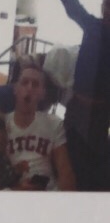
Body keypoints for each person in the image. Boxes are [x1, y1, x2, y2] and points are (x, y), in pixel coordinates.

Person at [46, 0, 110, 190]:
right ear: (103, 4)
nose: (109, 8)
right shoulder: (92, 25)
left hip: (101, 114)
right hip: (76, 109)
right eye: (107, 1)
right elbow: (72, 6)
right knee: (67, 158)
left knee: (92, 167)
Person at [4, 58, 76, 191]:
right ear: (15, 89)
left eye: (35, 84)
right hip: (12, 193)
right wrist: (17, 189)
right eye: (24, 82)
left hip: (47, 193)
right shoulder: (2, 124)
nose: (29, 88)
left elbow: (65, 172)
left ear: (42, 93)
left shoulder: (54, 124)